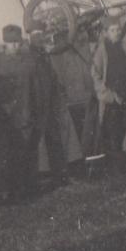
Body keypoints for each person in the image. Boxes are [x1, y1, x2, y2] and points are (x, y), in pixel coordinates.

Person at [0, 24, 35, 203]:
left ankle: (21, 189)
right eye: (11, 43)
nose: (14, 46)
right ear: (4, 43)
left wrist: (32, 112)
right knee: (0, 155)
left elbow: (35, 91)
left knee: (21, 154)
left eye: (17, 43)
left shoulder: (29, 63)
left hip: (22, 116)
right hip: (0, 118)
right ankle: (0, 190)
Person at [91, 14, 126, 175]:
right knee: (114, 138)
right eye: (113, 30)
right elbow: (96, 76)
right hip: (113, 101)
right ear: (106, 33)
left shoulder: (125, 47)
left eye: (118, 29)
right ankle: (117, 173)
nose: (117, 33)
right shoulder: (101, 51)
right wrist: (108, 95)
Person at [50, 27, 98, 168]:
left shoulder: (80, 52)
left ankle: (87, 163)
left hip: (84, 98)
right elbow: (59, 79)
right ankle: (80, 164)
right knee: (77, 135)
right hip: (72, 101)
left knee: (86, 133)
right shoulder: (57, 56)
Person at [29, 28, 69, 185]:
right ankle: (32, 179)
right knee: (33, 143)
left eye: (41, 35)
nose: (40, 38)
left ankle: (59, 175)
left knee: (54, 139)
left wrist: (58, 88)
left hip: (49, 104)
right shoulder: (28, 56)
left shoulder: (44, 55)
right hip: (36, 106)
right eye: (36, 35)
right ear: (30, 37)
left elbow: (51, 76)